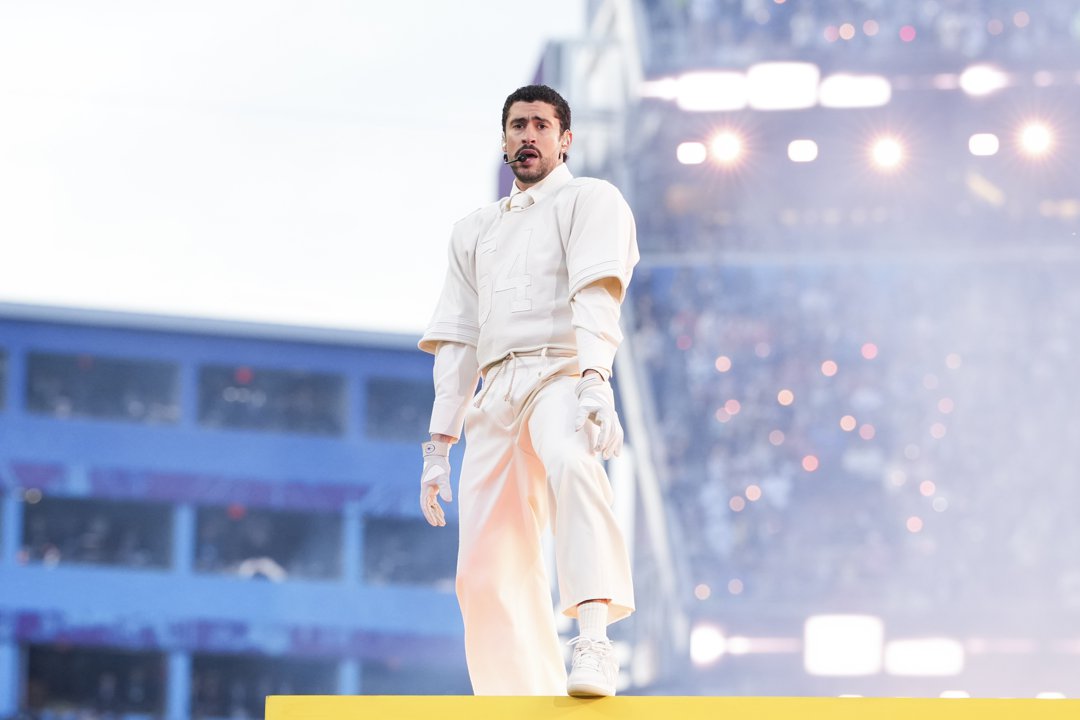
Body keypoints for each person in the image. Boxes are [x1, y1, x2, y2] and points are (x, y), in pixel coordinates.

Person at [417, 84, 638, 697]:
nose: (528, 135)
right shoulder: (474, 230)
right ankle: (519, 696)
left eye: (542, 125)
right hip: (496, 391)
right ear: (505, 138)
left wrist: (596, 380)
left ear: (565, 140)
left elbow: (595, 295)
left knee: (571, 461)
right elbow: (458, 341)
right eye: (518, 125)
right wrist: (439, 445)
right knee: (482, 568)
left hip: (560, 372)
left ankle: (592, 637)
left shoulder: (591, 200)